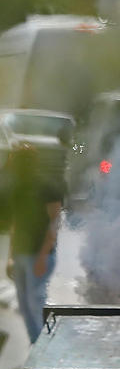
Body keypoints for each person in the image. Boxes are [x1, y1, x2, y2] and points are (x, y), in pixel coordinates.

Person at [4, 145, 63, 344]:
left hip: (39, 255)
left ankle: (44, 356)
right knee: (24, 305)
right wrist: (11, 257)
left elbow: (54, 223)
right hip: (21, 254)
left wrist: (42, 256)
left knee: (35, 304)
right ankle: (35, 351)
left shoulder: (47, 186)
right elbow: (15, 224)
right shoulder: (17, 187)